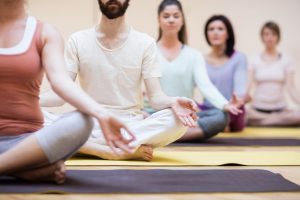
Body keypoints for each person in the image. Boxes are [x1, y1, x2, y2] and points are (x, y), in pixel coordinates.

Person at [40, 0, 198, 161]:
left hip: (128, 126)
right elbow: (60, 95)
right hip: (88, 123)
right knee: (33, 117)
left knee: (179, 120)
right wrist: (26, 102)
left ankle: (83, 146)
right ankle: (105, 150)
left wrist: (174, 101)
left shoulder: (145, 43)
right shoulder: (78, 40)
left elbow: (156, 98)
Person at [0, 0, 135, 184]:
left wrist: (102, 114)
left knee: (82, 121)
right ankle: (21, 169)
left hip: (28, 144)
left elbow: (60, 80)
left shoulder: (45, 33)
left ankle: (11, 166)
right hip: (27, 154)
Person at [148, 0, 243, 142]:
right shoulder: (149, 50)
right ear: (158, 20)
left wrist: (225, 104)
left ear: (182, 20)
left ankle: (163, 136)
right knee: (137, 116)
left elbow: (205, 85)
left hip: (185, 115)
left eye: (176, 16)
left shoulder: (194, 55)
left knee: (221, 116)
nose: (171, 20)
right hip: (154, 113)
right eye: (166, 16)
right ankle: (174, 134)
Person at [246, 21, 300, 126]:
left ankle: (265, 122)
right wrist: (238, 103)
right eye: (266, 34)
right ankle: (273, 121)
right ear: (262, 37)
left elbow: (291, 88)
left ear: (278, 37)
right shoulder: (253, 59)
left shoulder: (287, 59)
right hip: (257, 110)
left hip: (281, 110)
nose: (270, 37)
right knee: (243, 115)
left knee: (297, 116)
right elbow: (248, 86)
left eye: (273, 34)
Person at [200, 15, 249, 132]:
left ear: (228, 34)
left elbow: (240, 92)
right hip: (208, 109)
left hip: (232, 109)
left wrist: (229, 106)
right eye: (211, 29)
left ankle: (221, 122)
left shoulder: (239, 58)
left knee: (221, 115)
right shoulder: (200, 59)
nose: (215, 32)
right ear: (207, 34)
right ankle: (217, 123)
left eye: (220, 29)